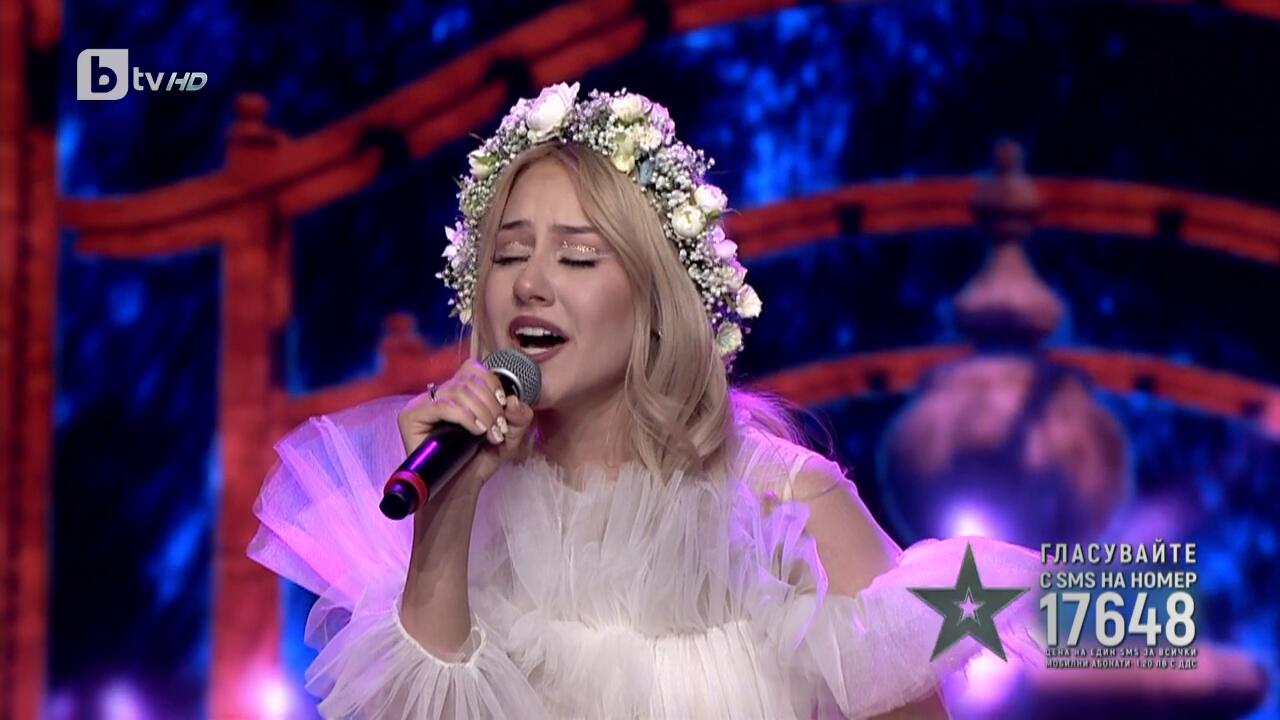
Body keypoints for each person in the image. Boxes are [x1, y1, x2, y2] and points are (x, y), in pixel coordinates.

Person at [248, 83, 1043, 719]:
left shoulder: (787, 510)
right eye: (510, 253)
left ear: (656, 300)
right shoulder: (463, 506)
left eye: (577, 257)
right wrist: (446, 521)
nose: (530, 283)